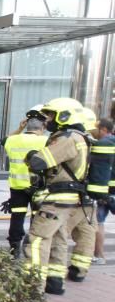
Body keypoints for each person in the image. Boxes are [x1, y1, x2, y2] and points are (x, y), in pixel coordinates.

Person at [22, 98, 90, 295]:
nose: (48, 120)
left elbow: (39, 162)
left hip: (56, 198)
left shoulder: (67, 138)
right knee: (58, 238)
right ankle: (55, 281)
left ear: (64, 115)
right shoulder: (80, 136)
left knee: (37, 240)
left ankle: (32, 285)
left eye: (51, 115)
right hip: (67, 199)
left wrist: (32, 156)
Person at [65, 110, 111, 280]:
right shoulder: (96, 144)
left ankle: (52, 273)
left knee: (58, 234)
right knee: (87, 234)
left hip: (72, 196)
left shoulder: (73, 140)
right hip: (90, 198)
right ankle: (80, 270)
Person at [1, 108, 48, 257]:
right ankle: (34, 248)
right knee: (37, 218)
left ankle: (14, 248)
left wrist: (19, 129)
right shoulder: (46, 141)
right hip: (38, 187)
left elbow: (5, 141)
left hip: (17, 187)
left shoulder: (13, 140)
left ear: (26, 125)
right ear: (43, 127)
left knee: (17, 218)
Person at [94, 118, 115, 265]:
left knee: (98, 223)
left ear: (103, 129)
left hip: (104, 190)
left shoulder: (101, 145)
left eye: (97, 129)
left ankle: (100, 256)